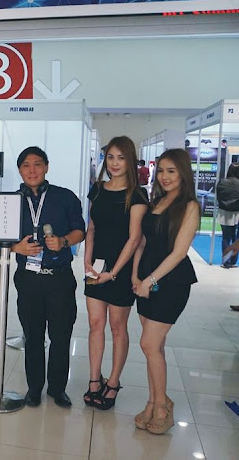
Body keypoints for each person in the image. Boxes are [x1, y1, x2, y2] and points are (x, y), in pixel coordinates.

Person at [11, 146, 85, 408]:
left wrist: (63, 241)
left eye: (37, 164)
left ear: (46, 167)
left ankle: (57, 388)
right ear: (19, 170)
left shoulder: (65, 197)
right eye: (26, 165)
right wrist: (16, 247)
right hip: (28, 278)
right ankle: (34, 389)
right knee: (32, 335)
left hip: (59, 278)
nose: (32, 170)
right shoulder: (12, 201)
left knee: (61, 335)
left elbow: (80, 231)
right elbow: (0, 235)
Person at [132, 148, 199, 435]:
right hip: (145, 279)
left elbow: (179, 253)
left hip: (171, 282)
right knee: (154, 348)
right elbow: (143, 243)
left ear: (183, 173)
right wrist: (136, 276)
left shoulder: (190, 206)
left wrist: (149, 280)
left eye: (171, 171)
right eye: (161, 170)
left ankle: (162, 407)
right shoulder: (156, 201)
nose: (165, 176)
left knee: (148, 344)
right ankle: (153, 401)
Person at [83, 136, 147, 411]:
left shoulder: (137, 195)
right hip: (96, 267)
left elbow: (134, 239)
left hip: (121, 269)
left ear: (130, 160)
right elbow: (92, 228)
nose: (115, 163)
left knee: (118, 327)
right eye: (110, 157)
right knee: (95, 324)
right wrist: (87, 261)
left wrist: (114, 272)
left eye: (121, 157)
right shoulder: (97, 190)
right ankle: (94, 379)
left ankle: (113, 381)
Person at [216, 163, 239, 268]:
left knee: (226, 237)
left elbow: (218, 197)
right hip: (237, 213)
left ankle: (226, 262)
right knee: (236, 239)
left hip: (223, 213)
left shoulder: (222, 183)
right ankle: (233, 261)